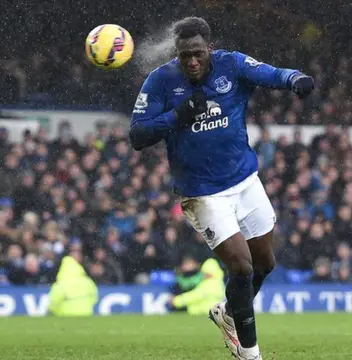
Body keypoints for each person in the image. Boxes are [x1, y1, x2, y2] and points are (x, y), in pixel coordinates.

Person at [129, 17, 314, 360]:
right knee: (241, 267)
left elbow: (273, 74)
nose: (192, 62)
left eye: (198, 54)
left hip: (244, 180)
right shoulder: (161, 81)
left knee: (265, 264)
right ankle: (250, 353)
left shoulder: (232, 64)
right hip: (202, 193)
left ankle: (228, 312)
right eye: (185, 56)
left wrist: (295, 79)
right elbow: (137, 135)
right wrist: (176, 116)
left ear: (209, 49)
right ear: (177, 53)